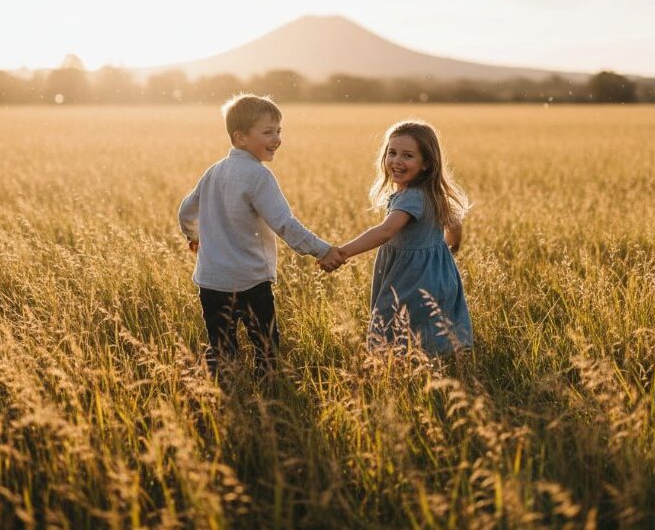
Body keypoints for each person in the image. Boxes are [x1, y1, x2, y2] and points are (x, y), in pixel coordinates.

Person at [179, 93, 344, 379]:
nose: (277, 139)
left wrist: (193, 236)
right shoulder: (258, 176)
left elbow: (186, 210)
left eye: (279, 131)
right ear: (240, 138)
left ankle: (225, 394)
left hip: (211, 281)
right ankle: (269, 396)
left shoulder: (213, 171)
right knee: (265, 347)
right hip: (250, 281)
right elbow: (285, 225)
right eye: (268, 132)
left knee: (222, 347)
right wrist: (323, 250)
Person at [323, 120, 472, 356]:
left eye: (408, 155)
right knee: (429, 322)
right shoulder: (434, 193)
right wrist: (450, 249)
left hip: (411, 276)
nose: (397, 161)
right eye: (391, 153)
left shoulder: (411, 197)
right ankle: (437, 360)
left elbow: (385, 231)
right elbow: (454, 226)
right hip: (438, 272)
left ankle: (394, 367)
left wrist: (342, 252)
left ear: (426, 164)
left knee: (393, 319)